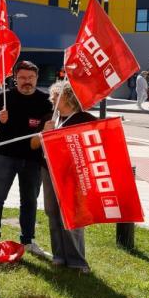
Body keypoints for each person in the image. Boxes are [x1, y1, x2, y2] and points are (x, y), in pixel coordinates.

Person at [0, 60, 52, 257]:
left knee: (29, 201)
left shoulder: (46, 101)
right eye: (22, 78)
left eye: (30, 78)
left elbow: (51, 128)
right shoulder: (4, 97)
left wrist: (49, 127)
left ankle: (28, 241)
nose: (26, 81)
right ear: (15, 79)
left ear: (37, 78)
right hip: (6, 155)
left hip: (33, 159)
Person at [32, 80, 94, 273]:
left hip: (72, 173)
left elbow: (92, 145)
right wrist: (44, 133)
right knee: (52, 213)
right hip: (48, 170)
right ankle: (59, 256)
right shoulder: (51, 118)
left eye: (56, 95)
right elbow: (34, 144)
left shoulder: (85, 118)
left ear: (69, 97)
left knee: (71, 215)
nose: (52, 98)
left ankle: (77, 261)